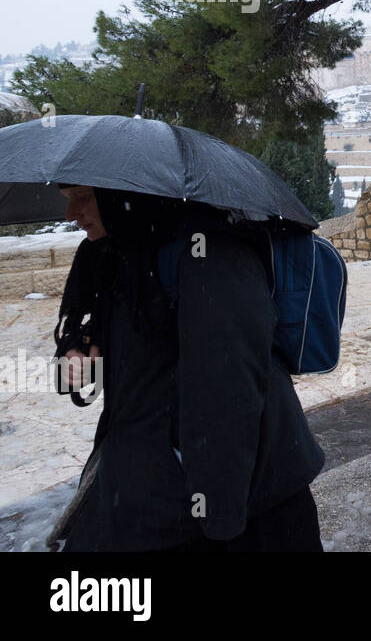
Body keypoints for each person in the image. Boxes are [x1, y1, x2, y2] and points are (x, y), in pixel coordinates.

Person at [52, 184, 326, 551]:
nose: (71, 214)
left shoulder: (208, 251)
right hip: (143, 478)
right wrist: (75, 358)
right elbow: (95, 338)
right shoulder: (110, 254)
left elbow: (229, 388)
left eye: (83, 198)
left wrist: (219, 518)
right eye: (68, 199)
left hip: (245, 494)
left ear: (119, 194)